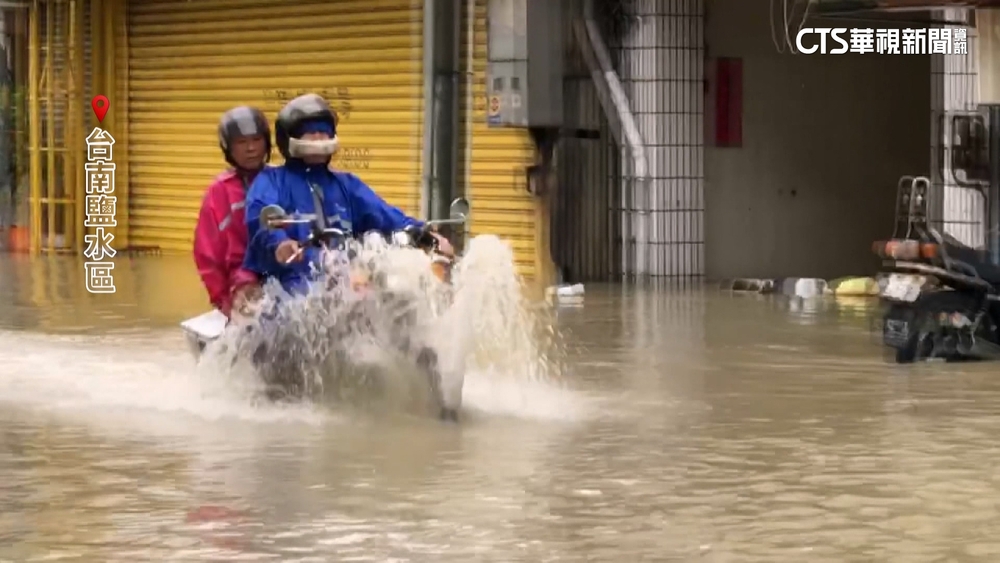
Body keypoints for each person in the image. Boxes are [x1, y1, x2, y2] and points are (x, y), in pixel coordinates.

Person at [243, 93, 452, 293]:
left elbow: (385, 214)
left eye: (324, 130)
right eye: (310, 131)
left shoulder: (346, 184)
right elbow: (262, 222)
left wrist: (424, 234)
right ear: (287, 137)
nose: (319, 137)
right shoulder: (272, 181)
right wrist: (280, 244)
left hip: (346, 286)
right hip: (291, 290)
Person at [193, 106, 271, 318]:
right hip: (242, 282)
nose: (251, 148)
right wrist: (223, 301)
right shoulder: (219, 191)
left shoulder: (281, 180)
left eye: (256, 140)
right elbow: (207, 254)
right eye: (241, 142)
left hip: (283, 273)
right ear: (228, 147)